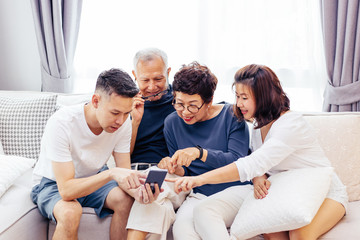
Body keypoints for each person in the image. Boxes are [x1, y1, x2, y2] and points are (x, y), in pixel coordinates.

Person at [170, 64, 348, 240]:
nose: (238, 104)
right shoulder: (257, 127)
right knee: (270, 231)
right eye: (237, 96)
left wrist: (198, 179)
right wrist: (258, 176)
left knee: (299, 234)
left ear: (263, 97)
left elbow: (252, 163)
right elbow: (257, 162)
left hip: (325, 191)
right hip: (287, 190)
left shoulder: (291, 124)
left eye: (244, 97)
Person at [126, 62, 251, 240]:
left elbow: (238, 162)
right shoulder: (171, 122)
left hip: (235, 189)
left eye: (193, 105)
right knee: (182, 231)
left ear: (209, 100)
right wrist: (173, 166)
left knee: (205, 213)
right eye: (179, 104)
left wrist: (199, 153)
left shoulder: (231, 115)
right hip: (199, 193)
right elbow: (186, 171)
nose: (185, 112)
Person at [31, 68, 157, 240]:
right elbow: (67, 190)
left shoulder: (123, 124)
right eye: (115, 113)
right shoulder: (62, 123)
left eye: (126, 113)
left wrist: (139, 193)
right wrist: (111, 173)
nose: (120, 121)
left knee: (125, 199)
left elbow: (125, 174)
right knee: (70, 212)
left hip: (94, 177)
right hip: (53, 184)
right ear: (96, 101)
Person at [130, 48, 175, 170]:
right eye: (145, 80)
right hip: (133, 169)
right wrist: (135, 122)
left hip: (165, 169)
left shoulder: (180, 101)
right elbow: (122, 155)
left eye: (158, 79)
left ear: (168, 72)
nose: (152, 87)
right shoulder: (125, 103)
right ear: (135, 75)